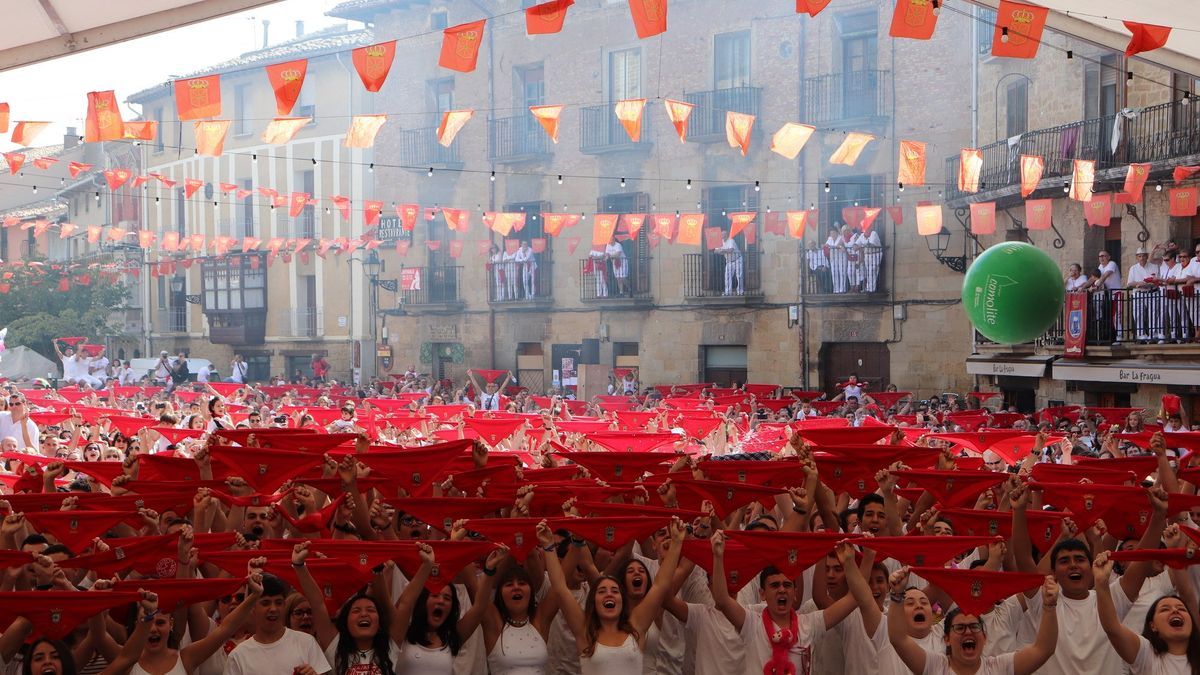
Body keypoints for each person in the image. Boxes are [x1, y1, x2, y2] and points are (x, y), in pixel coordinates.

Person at [538, 518, 685, 674]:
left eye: (615, 591)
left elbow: (660, 585)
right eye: (601, 591)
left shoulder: (636, 626)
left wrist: (676, 543)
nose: (609, 594)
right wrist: (548, 546)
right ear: (593, 601)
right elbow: (560, 587)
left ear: (622, 600)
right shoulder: (585, 631)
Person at [711, 535, 859, 675]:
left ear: (795, 593)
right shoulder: (751, 623)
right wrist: (718, 557)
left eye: (787, 585)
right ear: (762, 594)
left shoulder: (809, 624)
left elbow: (853, 598)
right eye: (775, 585)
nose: (782, 589)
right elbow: (722, 600)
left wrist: (858, 561)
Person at [887, 567, 1060, 675]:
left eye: (974, 626)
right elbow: (898, 640)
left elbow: (1043, 649)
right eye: (960, 627)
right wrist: (896, 595)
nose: (968, 631)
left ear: (984, 638)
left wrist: (1049, 607)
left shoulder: (999, 668)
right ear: (946, 638)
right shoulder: (935, 667)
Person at [1093, 550, 1200, 675]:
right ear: (1152, 626)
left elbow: (1188, 595)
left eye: (1182, 609)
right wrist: (1101, 582)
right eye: (1165, 609)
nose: (1175, 610)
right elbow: (1112, 627)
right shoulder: (1146, 655)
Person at [224, 573, 331, 675]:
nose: (273, 609)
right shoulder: (238, 655)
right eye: (266, 603)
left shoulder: (306, 642)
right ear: (252, 607)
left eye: (278, 603)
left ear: (285, 605)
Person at [1127, 247, 1165, 344]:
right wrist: (1139, 283)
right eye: (1139, 256)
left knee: (1153, 314)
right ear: (1137, 257)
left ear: (1147, 256)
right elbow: (1129, 283)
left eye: (1143, 256)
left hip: (1151, 292)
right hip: (1138, 293)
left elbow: (1157, 281)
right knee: (1138, 314)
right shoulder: (1133, 268)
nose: (1142, 258)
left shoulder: (1154, 266)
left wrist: (1146, 284)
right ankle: (1141, 335)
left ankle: (1153, 334)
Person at [1091, 250, 1123, 344]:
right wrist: (1083, 287)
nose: (1102, 258)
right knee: (1109, 316)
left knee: (1117, 315)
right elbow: (1093, 278)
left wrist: (1098, 284)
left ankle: (1119, 336)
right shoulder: (1100, 266)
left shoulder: (1112, 264)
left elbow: (1105, 275)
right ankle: (1110, 337)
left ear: (1109, 257)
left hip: (1116, 293)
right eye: (1100, 256)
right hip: (1108, 295)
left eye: (1104, 256)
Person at [856, 224, 883, 293]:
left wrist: (860, 246)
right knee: (868, 272)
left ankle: (871, 289)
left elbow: (870, 245)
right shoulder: (862, 236)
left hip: (875, 255)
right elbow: (855, 245)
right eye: (865, 229)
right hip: (867, 256)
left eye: (868, 228)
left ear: (871, 228)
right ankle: (868, 288)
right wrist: (855, 246)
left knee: (872, 271)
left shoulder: (874, 234)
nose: (866, 230)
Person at [826, 225, 848, 294]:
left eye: (833, 233)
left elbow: (841, 245)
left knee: (842, 273)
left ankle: (842, 289)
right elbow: (826, 245)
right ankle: (836, 289)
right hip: (833, 258)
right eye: (831, 233)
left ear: (836, 232)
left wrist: (834, 247)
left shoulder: (841, 237)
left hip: (841, 258)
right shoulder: (829, 239)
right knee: (834, 274)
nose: (832, 234)